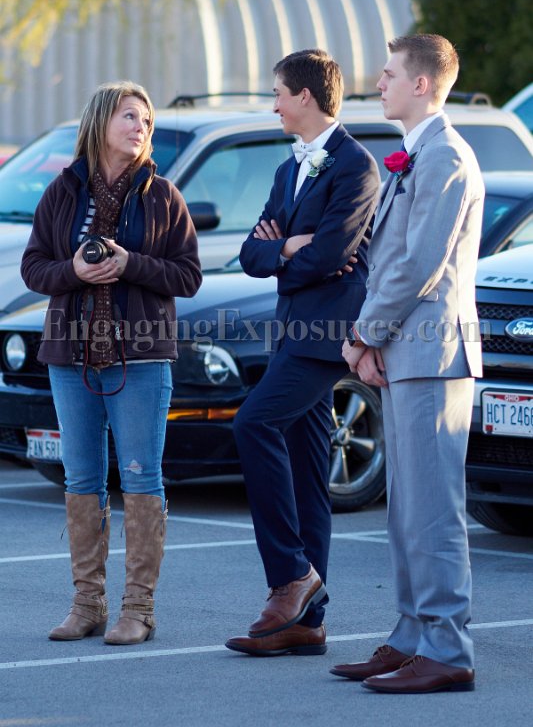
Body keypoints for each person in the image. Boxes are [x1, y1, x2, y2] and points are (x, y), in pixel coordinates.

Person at [21, 81, 202, 645]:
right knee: (81, 478)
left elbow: (188, 276)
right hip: (70, 356)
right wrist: (74, 270)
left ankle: (139, 610)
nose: (140, 127)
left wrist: (131, 264)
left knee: (142, 477)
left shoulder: (163, 196)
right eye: (129, 116)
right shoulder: (62, 191)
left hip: (141, 357)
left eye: (145, 119)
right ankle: (87, 604)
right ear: (100, 122)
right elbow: (33, 268)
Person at [332, 34, 484, 693]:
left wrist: (364, 334)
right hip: (407, 350)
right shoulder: (417, 152)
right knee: (404, 512)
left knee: (432, 512)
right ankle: (411, 635)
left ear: (421, 84)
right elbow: (388, 259)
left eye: (390, 73)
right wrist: (374, 344)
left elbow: (420, 262)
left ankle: (447, 648)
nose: (379, 81)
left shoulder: (445, 154)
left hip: (432, 353)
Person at [225, 49, 381, 657]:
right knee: (310, 472)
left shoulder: (357, 166)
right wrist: (290, 247)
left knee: (253, 422)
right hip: (293, 330)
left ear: (306, 97)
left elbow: (333, 255)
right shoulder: (286, 168)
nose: (274, 105)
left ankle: (291, 574)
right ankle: (308, 622)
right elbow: (251, 253)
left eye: (278, 94)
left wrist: (286, 251)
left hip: (326, 336)